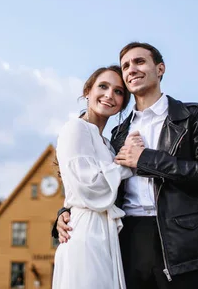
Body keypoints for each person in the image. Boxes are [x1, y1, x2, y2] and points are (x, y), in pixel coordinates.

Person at [53, 42, 198, 289]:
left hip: (180, 241)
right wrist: (65, 212)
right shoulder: (117, 134)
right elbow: (94, 180)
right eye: (126, 65)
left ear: (160, 69)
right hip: (126, 240)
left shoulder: (193, 117)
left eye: (139, 62)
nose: (131, 69)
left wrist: (145, 159)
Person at [52, 66, 135, 289]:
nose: (109, 95)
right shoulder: (75, 128)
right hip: (86, 232)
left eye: (118, 92)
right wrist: (129, 164)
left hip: (106, 233)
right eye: (103, 86)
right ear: (88, 90)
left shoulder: (107, 144)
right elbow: (89, 186)